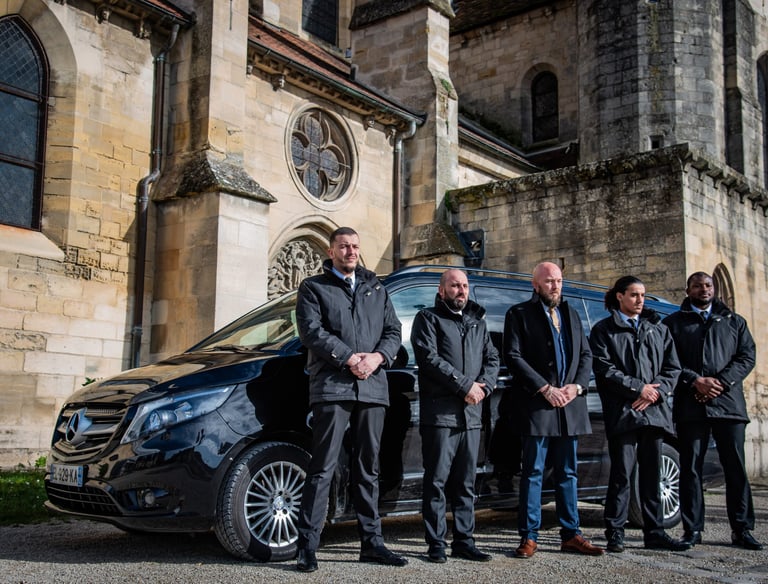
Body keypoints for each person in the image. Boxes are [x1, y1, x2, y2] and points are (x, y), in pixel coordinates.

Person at [294, 227, 407, 572]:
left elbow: (393, 331)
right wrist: (348, 358)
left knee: (368, 469)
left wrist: (377, 358)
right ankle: (307, 547)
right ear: (331, 252)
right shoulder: (313, 287)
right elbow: (311, 331)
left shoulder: (376, 288)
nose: (351, 252)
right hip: (332, 387)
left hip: (372, 388)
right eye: (344, 246)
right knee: (322, 468)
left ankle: (372, 544)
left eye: (355, 246)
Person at [503, 262, 604, 558]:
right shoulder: (519, 314)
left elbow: (586, 354)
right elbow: (513, 356)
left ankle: (571, 534)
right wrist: (544, 388)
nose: (555, 286)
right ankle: (529, 536)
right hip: (538, 405)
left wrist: (577, 387)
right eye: (549, 281)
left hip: (570, 406)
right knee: (533, 472)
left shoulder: (571, 314)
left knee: (568, 473)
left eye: (559, 280)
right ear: (535, 285)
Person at [663, 272, 762, 550]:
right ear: (688, 290)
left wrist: (721, 382)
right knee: (690, 469)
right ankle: (692, 530)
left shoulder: (734, 321)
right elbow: (669, 361)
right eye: (697, 286)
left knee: (736, 468)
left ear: (714, 288)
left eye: (708, 285)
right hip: (691, 406)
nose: (704, 290)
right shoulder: (673, 323)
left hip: (728, 405)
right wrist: (695, 381)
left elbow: (747, 356)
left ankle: (742, 529)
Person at [589, 276, 688, 553]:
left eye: (643, 295)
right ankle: (615, 531)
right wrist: (638, 389)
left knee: (652, 475)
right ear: (619, 296)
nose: (640, 300)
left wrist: (656, 392)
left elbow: (673, 368)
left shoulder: (657, 329)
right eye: (634, 295)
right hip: (625, 413)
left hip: (654, 412)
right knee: (622, 474)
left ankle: (655, 531)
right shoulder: (604, 330)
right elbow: (604, 369)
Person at [410, 268, 500, 564]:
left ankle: (464, 541)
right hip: (441, 416)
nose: (461, 291)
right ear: (441, 290)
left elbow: (492, 358)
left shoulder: (477, 323)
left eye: (464, 286)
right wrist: (464, 386)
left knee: (465, 483)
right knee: (436, 482)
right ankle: (436, 543)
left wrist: (484, 387)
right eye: (454, 286)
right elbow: (428, 358)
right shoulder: (427, 319)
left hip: (471, 416)